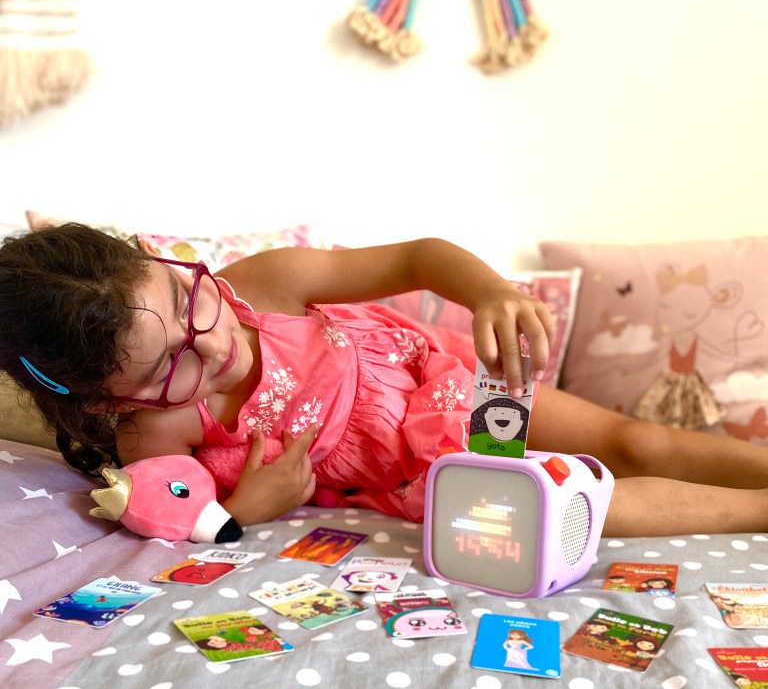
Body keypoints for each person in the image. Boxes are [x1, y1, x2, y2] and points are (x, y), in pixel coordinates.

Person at [2, 222, 768, 535]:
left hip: (443, 386)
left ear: (159, 260)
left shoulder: (263, 284)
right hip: (417, 478)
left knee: (632, 441)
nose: (214, 343)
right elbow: (181, 518)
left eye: (185, 300)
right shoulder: (153, 434)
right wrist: (243, 509)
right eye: (171, 365)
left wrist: (490, 292)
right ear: (107, 399)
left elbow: (416, 257)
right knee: (568, 504)